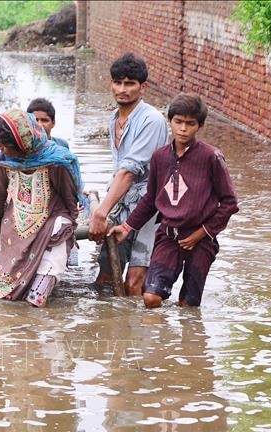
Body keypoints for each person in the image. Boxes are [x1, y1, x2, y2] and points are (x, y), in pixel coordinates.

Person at [108, 93, 239, 308]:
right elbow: (151, 199)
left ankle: (187, 342)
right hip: (169, 235)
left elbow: (229, 203)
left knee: (189, 305)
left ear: (200, 126)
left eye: (190, 124)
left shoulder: (211, 157)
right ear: (170, 122)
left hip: (201, 238)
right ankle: (160, 341)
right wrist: (128, 226)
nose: (183, 129)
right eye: (178, 122)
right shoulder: (160, 157)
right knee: (151, 297)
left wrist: (200, 234)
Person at [0, 109, 85, 307]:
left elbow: (69, 202)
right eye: (1, 142)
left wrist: (68, 234)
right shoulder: (1, 158)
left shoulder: (56, 162)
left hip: (51, 227)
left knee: (36, 299)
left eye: (7, 145)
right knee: (4, 297)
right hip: (15, 229)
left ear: (24, 145)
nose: (2, 148)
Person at [88, 53, 169, 296]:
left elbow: (128, 172)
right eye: (118, 82)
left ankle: (137, 330)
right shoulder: (114, 119)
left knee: (134, 282)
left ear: (142, 87)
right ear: (111, 84)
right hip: (121, 203)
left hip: (149, 206)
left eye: (130, 84)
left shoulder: (152, 120)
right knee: (104, 277)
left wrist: (101, 211)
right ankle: (112, 326)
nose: (122, 90)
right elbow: (119, 172)